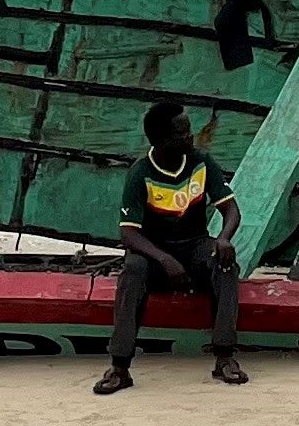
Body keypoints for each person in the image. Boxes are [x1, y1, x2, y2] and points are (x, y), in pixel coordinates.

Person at [95, 99, 248, 395]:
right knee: (133, 268)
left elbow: (231, 210)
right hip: (154, 252)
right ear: (163, 140)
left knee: (226, 263)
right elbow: (129, 235)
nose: (191, 136)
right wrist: (165, 260)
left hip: (195, 246)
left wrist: (224, 237)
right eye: (183, 132)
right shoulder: (140, 173)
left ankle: (225, 356)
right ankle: (119, 366)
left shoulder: (202, 163)